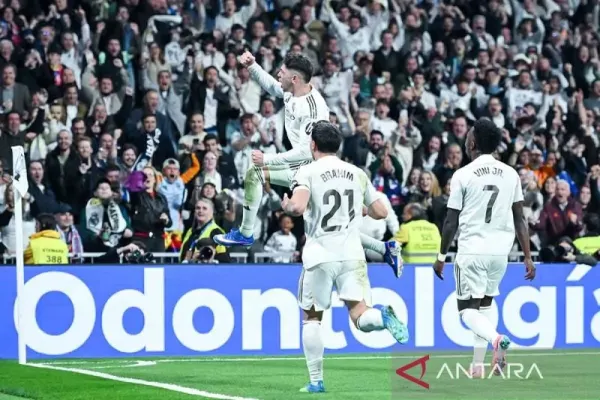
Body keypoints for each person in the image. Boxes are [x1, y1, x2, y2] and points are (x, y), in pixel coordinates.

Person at [214, 51, 400, 275]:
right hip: (303, 166)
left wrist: (268, 158)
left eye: (282, 71)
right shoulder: (292, 92)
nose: (278, 74)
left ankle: (245, 233)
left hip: (312, 169)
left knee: (261, 175)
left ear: (294, 79)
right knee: (327, 227)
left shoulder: (313, 109)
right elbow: (272, 86)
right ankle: (385, 248)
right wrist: (253, 66)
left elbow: (306, 150)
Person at [281, 121, 409, 393]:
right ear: (338, 146)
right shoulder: (356, 173)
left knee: (312, 318)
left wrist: (288, 205)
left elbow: (298, 206)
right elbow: (381, 212)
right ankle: (382, 317)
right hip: (353, 255)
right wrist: (358, 209)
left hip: (320, 255)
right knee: (360, 316)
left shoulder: (308, 171)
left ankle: (316, 381)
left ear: (313, 145)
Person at [432, 118, 536, 378]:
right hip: (500, 253)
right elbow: (520, 218)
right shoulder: (511, 173)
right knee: (485, 305)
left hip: (472, 251)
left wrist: (441, 256)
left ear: (473, 142)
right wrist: (527, 256)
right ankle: (478, 365)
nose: (466, 138)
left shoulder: (463, 174)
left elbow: (451, 221)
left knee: (467, 310)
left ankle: (496, 339)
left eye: (469, 134)